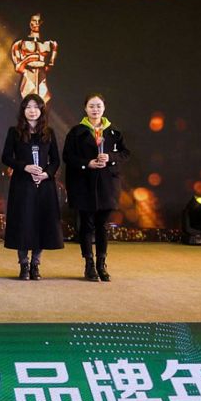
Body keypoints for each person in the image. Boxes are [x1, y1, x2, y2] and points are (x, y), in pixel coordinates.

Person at [63, 93, 131, 282]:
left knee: (102, 225)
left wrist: (110, 158)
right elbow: (68, 157)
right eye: (91, 106)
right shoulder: (76, 132)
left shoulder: (114, 132)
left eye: (98, 106)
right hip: (83, 184)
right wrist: (87, 163)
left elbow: (125, 153)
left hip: (107, 184)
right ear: (85, 108)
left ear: (104, 108)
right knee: (86, 225)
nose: (95, 109)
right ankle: (89, 264)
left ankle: (102, 264)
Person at [1, 94, 64, 280]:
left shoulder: (49, 132)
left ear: (42, 110)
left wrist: (46, 174)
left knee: (41, 223)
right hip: (22, 184)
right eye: (28, 107)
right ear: (23, 110)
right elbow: (6, 157)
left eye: (36, 107)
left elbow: (56, 160)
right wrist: (24, 167)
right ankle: (23, 264)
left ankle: (36, 263)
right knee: (23, 223)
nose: (32, 111)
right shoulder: (14, 132)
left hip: (44, 185)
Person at [10, 13, 59, 102]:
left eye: (39, 21)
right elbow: (18, 67)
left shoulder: (52, 44)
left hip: (43, 81)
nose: (37, 23)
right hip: (28, 80)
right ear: (29, 22)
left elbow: (51, 65)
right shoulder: (19, 44)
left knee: (43, 103)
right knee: (29, 103)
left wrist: (44, 64)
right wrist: (29, 59)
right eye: (34, 20)